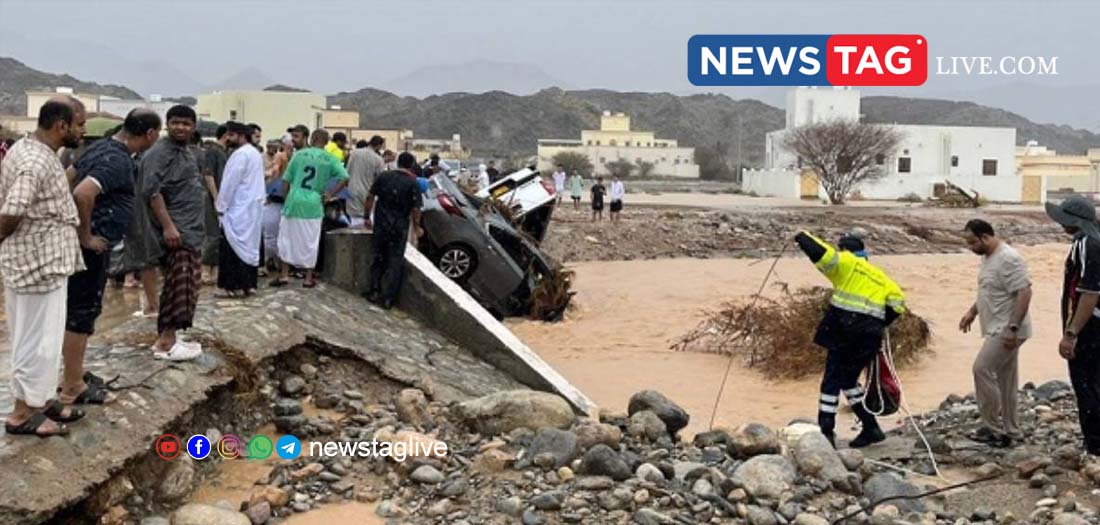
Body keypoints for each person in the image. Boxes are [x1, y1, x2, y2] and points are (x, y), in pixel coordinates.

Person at [60, 108, 161, 409]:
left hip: (80, 245)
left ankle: (70, 374)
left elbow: (67, 178)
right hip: (91, 248)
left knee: (73, 311)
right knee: (82, 312)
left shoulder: (100, 147)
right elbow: (82, 193)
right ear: (151, 134)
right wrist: (85, 234)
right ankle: (72, 387)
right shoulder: (116, 160)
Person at [1, 98, 87, 436]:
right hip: (38, 263)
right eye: (78, 124)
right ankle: (24, 415)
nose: (82, 131)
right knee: (39, 341)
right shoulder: (35, 160)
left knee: (29, 337)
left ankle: (35, 402)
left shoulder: (26, 149)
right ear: (62, 126)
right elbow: (13, 208)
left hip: (32, 260)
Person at [795, 230, 905, 448]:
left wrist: (802, 236)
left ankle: (826, 433)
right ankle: (871, 427)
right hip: (869, 336)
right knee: (847, 379)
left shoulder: (845, 262)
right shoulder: (880, 276)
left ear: (845, 250)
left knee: (831, 381)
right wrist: (877, 324)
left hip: (845, 331)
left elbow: (821, 253)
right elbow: (898, 303)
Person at [958, 219, 1032, 448]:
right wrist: (972, 311)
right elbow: (990, 290)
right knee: (1006, 379)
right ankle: (1012, 430)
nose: (970, 247)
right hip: (997, 326)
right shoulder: (987, 257)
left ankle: (992, 428)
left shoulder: (1008, 258)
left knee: (981, 369)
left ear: (985, 237)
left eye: (972, 242)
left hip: (1007, 329)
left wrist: (1012, 328)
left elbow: (1025, 292)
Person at [142, 105, 206, 361]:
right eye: (176, 123)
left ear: (194, 127)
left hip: (190, 230)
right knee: (177, 285)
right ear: (167, 124)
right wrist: (168, 225)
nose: (181, 127)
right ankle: (165, 341)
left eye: (186, 123)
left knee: (188, 285)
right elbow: (152, 191)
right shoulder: (160, 152)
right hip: (175, 231)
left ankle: (173, 337)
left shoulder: (187, 152)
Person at [1046, 196, 1100, 456]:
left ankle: (1095, 445)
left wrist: (1071, 333)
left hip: (1090, 327)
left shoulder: (1087, 245)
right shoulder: (1092, 240)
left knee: (1086, 384)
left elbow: (1088, 293)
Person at [272, 129, 348, 288]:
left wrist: (286, 199)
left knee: (286, 238)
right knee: (311, 241)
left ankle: (284, 275)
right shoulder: (330, 158)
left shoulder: (299, 155)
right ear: (326, 142)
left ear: (312, 139)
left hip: (294, 199)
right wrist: (330, 194)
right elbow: (344, 177)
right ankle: (308, 278)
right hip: (314, 202)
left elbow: (286, 179)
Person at [364, 152, 422, 309]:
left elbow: (370, 197)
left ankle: (373, 291)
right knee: (394, 262)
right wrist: (417, 227)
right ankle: (388, 298)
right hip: (399, 227)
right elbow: (416, 209)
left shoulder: (384, 177)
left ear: (398, 163)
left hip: (381, 224)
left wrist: (366, 216)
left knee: (378, 258)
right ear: (411, 165)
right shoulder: (413, 183)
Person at [215, 122, 265, 297]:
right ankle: (249, 284)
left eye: (231, 135)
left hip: (238, 209)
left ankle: (232, 286)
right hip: (252, 208)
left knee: (232, 246)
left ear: (241, 136)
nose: (227, 139)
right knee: (249, 246)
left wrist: (221, 206)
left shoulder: (240, 155)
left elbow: (230, 183)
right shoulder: (255, 153)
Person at [200, 125, 230, 285]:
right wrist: (216, 198)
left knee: (220, 235)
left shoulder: (226, 153)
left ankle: (216, 269)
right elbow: (208, 175)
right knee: (211, 234)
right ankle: (205, 269)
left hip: (223, 201)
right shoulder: (213, 151)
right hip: (213, 199)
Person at [345, 135, 385, 228]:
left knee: (354, 220)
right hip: (368, 193)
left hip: (352, 190)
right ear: (379, 145)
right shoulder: (378, 159)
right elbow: (380, 179)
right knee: (367, 221)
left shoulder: (354, 153)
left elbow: (347, 172)